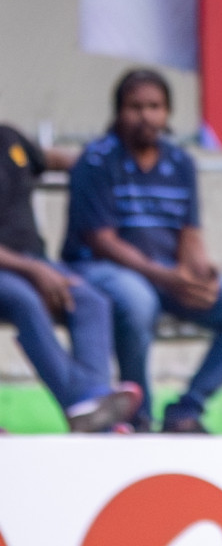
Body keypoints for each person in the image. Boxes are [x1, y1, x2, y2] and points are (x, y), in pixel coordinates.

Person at [62, 68, 222, 433]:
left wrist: (199, 272)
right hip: (100, 270)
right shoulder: (97, 160)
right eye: (135, 107)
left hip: (165, 274)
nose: (146, 116)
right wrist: (167, 277)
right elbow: (101, 240)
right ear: (118, 111)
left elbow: (189, 231)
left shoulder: (180, 162)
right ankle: (139, 415)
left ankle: (186, 411)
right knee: (138, 302)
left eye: (155, 107)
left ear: (167, 112)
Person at [0, 122, 140, 432]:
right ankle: (86, 405)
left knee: (90, 300)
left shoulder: (9, 138)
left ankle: (94, 405)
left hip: (31, 262)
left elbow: (56, 160)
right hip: (16, 269)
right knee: (26, 301)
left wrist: (104, 164)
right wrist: (35, 271)